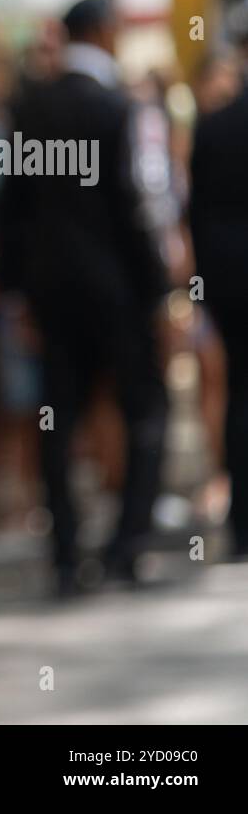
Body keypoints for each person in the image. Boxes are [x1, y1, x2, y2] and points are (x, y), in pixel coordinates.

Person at [0, 0, 172, 595]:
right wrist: (159, 289)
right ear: (102, 33)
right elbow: (137, 205)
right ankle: (130, 546)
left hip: (51, 290)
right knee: (144, 410)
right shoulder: (121, 107)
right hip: (119, 291)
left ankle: (67, 557)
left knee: (56, 416)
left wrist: (16, 291)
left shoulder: (27, 107)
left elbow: (12, 211)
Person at [190, 71, 248, 558]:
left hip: (227, 283)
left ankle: (242, 521)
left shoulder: (212, 126)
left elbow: (196, 213)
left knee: (237, 396)